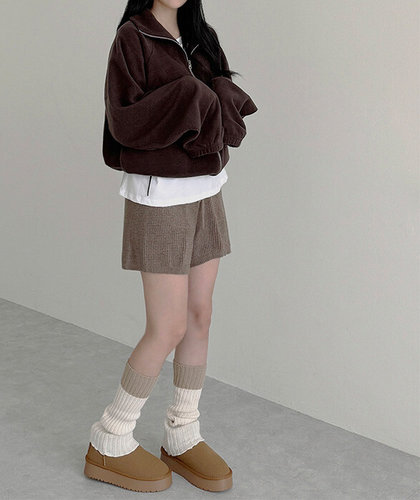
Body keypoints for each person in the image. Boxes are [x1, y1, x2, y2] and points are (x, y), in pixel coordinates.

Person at [84, 0, 257, 493]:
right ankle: (110, 436)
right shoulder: (132, 38)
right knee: (169, 326)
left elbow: (218, 104)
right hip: (159, 196)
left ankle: (182, 432)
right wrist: (188, 95)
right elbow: (124, 122)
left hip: (207, 190)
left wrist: (216, 93)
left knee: (200, 315)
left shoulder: (201, 33)